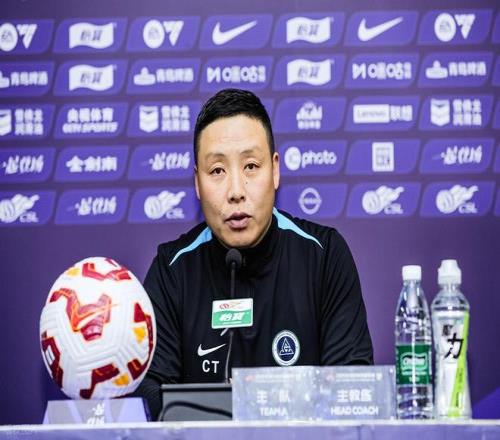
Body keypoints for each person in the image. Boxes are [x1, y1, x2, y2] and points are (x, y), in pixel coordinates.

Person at [135, 88, 373, 419]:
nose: (236, 191)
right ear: (197, 183)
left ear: (274, 171)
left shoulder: (324, 256)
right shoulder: (172, 270)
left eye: (250, 166)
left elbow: (351, 388)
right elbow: (150, 393)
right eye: (217, 171)